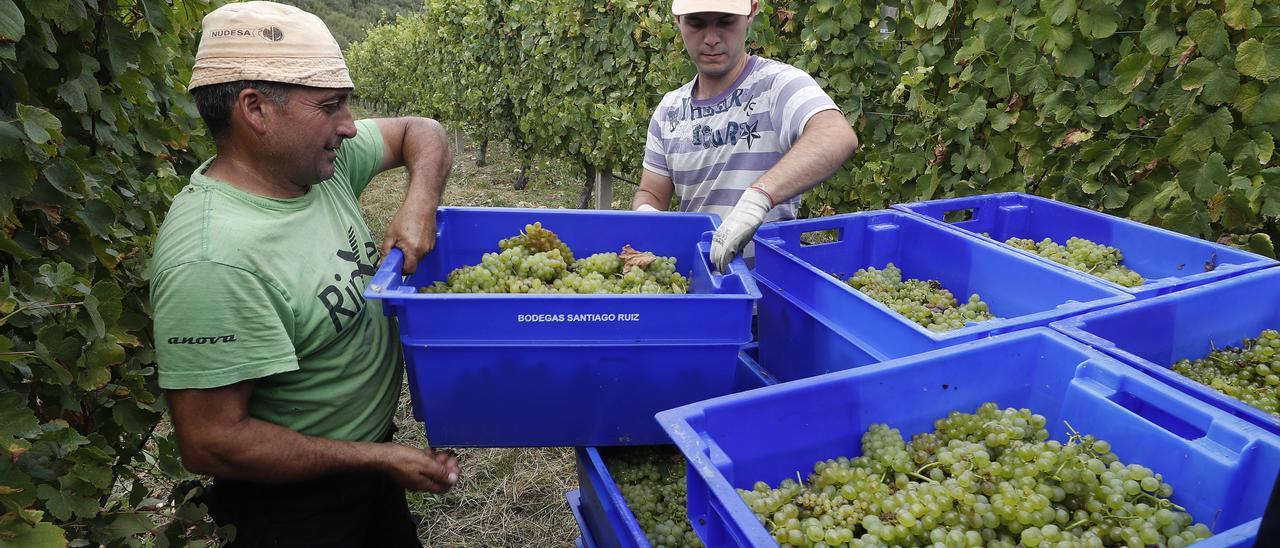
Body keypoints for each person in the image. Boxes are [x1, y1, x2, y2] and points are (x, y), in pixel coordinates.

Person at [149, 2, 458, 546]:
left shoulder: (315, 168)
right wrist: (376, 459)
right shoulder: (214, 259)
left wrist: (420, 202)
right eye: (331, 106)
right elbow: (212, 441)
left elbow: (422, 130)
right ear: (256, 110)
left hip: (364, 471)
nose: (348, 126)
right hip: (292, 509)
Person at [633, 0, 859, 271]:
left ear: (751, 12)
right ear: (678, 20)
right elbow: (651, 193)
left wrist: (758, 198)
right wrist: (646, 215)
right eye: (697, 23)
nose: (712, 39)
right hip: (700, 287)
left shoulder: (778, 85)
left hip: (768, 295)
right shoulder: (669, 110)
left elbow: (835, 133)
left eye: (726, 21)